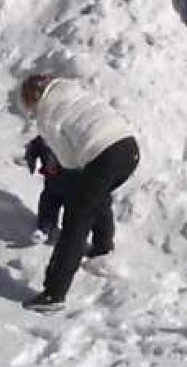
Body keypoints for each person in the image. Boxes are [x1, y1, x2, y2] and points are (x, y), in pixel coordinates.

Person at [17, 73, 140, 311]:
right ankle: (103, 248)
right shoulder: (75, 91)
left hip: (103, 156)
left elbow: (69, 162)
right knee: (95, 195)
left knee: (76, 221)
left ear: (33, 100)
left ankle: (54, 294)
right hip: (129, 149)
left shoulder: (46, 115)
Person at [21, 135, 77, 243]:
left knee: (73, 210)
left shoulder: (71, 137)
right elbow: (34, 146)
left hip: (72, 181)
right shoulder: (45, 136)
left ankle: (70, 234)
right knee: (48, 203)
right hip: (52, 181)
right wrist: (31, 158)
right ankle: (44, 228)